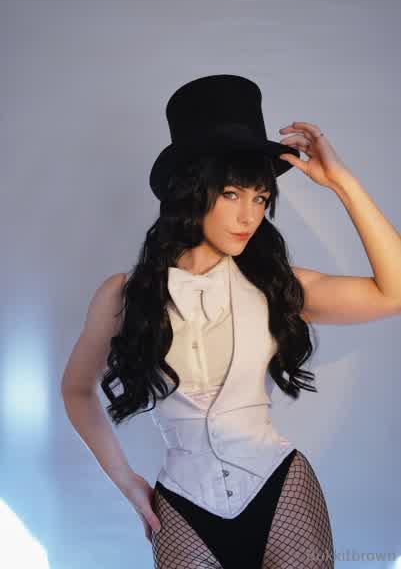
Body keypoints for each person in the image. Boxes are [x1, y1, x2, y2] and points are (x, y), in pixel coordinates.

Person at [61, 75, 401, 569]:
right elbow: (76, 389)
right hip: (182, 507)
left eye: (261, 198)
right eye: (232, 194)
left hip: (281, 492)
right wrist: (126, 480)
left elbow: (395, 292)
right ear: (191, 190)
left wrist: (342, 183)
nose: (250, 216)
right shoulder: (124, 294)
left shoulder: (277, 284)